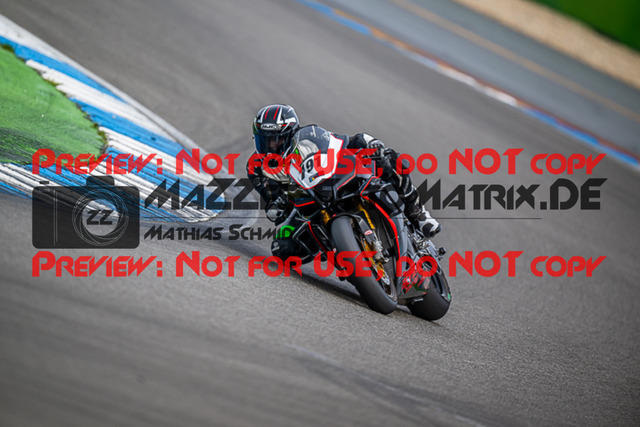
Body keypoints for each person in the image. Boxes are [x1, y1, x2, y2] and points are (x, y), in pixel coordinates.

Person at [246, 104, 441, 259]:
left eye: (276, 140)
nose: (270, 147)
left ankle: (418, 214)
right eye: (264, 141)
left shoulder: (310, 137)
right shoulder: (256, 167)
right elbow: (272, 203)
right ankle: (339, 247)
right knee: (282, 249)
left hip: (329, 181)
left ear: (290, 134)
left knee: (391, 160)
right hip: (302, 204)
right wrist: (278, 205)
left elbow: (345, 142)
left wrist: (369, 144)